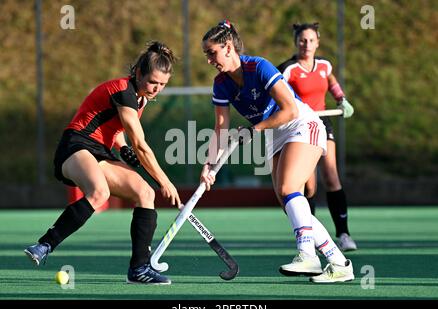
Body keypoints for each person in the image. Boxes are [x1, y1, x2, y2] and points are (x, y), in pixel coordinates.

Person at [200, 20, 354, 283]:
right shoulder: (221, 84)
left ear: (228, 47)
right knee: (290, 205)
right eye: (206, 55)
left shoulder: (258, 67)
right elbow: (221, 129)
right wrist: (208, 165)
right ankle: (339, 263)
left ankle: (308, 255)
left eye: (212, 53)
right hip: (275, 135)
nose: (209, 60)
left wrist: (255, 128)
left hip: (302, 123)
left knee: (288, 189)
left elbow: (290, 110)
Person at [24, 41, 181, 285]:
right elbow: (141, 144)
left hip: (100, 151)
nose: (156, 89)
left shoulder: (139, 99)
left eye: (162, 84)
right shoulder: (122, 90)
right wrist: (165, 180)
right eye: (153, 82)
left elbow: (113, 127)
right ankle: (44, 244)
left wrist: (122, 147)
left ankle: (139, 269)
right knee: (99, 193)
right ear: (139, 73)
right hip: (75, 145)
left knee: (145, 193)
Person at [277, 22, 357, 251]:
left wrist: (341, 99)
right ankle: (308, 236)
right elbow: (278, 93)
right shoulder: (288, 69)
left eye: (311, 40)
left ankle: (343, 233)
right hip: (301, 124)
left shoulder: (324, 65)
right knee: (308, 186)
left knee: (331, 176)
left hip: (323, 121)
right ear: (296, 42)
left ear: (318, 42)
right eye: (302, 40)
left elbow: (331, 81)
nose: (307, 45)